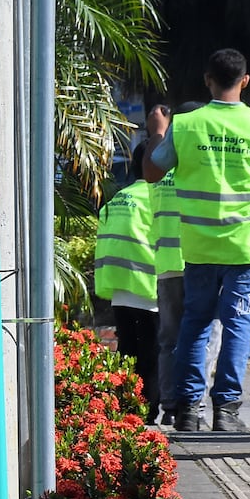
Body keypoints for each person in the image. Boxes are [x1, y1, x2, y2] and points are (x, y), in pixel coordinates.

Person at [144, 48, 250, 432]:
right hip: (245, 247)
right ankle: (227, 411)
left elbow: (153, 173)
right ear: (246, 81)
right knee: (238, 325)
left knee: (196, 322)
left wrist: (157, 134)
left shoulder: (186, 125)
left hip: (199, 245)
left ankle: (188, 410)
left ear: (207, 79)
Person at [144, 101, 222, 426]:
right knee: (205, 338)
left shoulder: (159, 170)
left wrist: (157, 133)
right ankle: (195, 406)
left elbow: (150, 167)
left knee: (169, 341)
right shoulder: (199, 163)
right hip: (200, 260)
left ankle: (171, 405)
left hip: (167, 266)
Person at [95, 144, 159, 422]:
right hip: (148, 288)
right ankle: (149, 412)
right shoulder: (156, 198)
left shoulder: (119, 197)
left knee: (128, 354)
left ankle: (126, 410)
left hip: (118, 287)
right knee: (151, 356)